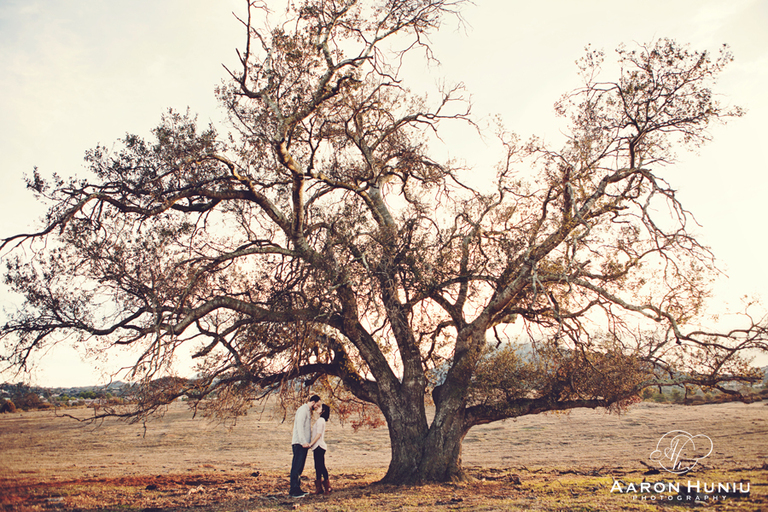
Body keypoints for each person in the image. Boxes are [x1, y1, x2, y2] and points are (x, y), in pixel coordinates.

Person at [289, 394, 322, 498]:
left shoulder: (307, 411)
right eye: (317, 405)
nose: (317, 407)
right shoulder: (303, 410)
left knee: (299, 467)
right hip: (299, 443)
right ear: (313, 402)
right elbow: (299, 426)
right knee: (296, 466)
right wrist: (303, 441)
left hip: (303, 444)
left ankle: (297, 488)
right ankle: (294, 490)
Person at [309, 404, 332, 494]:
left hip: (319, 446)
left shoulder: (320, 420)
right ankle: (319, 488)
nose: (317, 408)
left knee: (321, 466)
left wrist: (311, 444)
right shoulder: (320, 420)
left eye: (320, 408)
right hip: (317, 447)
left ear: (323, 411)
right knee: (317, 467)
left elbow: (318, 434)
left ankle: (327, 487)